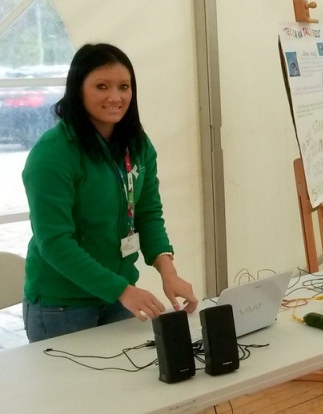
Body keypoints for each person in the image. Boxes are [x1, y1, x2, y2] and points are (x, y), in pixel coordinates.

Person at [21, 43, 198, 342]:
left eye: (124, 86)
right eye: (102, 86)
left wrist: (168, 272)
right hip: (62, 306)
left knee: (126, 386)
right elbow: (54, 242)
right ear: (78, 89)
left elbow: (147, 214)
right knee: (76, 390)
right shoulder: (51, 154)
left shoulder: (137, 144)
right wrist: (122, 290)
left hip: (119, 297)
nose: (116, 97)